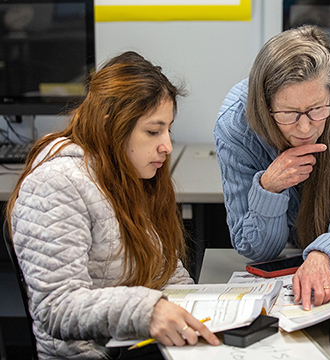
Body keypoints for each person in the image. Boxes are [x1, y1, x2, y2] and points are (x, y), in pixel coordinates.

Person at [6, 51, 220, 359]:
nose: (167, 145)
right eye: (153, 131)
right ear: (110, 124)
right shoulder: (55, 184)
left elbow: (166, 273)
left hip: (140, 347)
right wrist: (147, 309)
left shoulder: (131, 173)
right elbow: (55, 306)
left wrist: (202, 312)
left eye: (168, 129)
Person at [215, 25, 330, 311]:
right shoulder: (235, 124)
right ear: (265, 105)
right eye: (288, 114)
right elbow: (257, 251)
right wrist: (269, 189)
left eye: (317, 109)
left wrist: (323, 255)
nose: (306, 127)